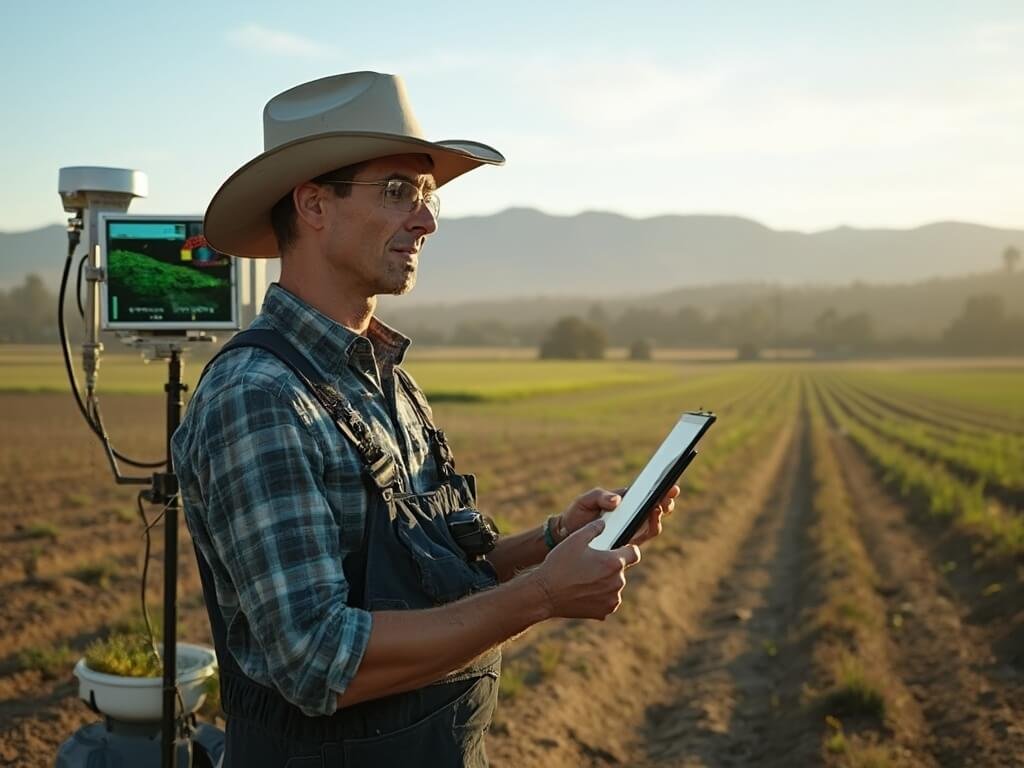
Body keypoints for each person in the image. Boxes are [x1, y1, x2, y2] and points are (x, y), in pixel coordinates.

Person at [172, 71, 678, 768]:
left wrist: (554, 539)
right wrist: (542, 594)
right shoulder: (258, 397)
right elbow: (317, 658)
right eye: (398, 191)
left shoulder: (391, 383)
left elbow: (433, 581)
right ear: (314, 205)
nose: (427, 219)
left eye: (428, 194)